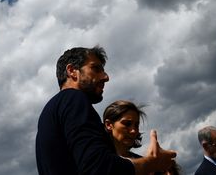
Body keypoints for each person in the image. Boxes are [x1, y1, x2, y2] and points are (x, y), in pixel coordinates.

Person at [35, 46, 177, 175]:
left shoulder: (49, 113)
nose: (106, 77)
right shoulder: (74, 98)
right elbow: (98, 168)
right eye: (96, 69)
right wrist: (151, 164)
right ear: (72, 71)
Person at [103, 100, 182, 175]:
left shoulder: (149, 166)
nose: (133, 130)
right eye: (127, 124)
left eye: (136, 125)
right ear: (109, 125)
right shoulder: (99, 161)